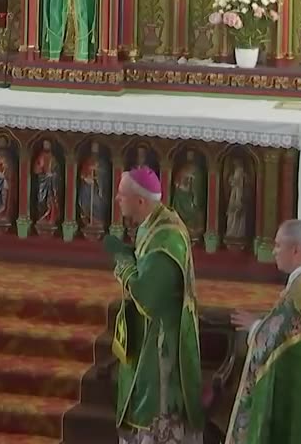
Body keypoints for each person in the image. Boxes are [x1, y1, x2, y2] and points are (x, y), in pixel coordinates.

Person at [225, 220, 301, 443]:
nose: (274, 251)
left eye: (277, 245)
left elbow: (274, 335)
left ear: (296, 250)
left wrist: (254, 326)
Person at [107, 166, 203, 444]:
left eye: (121, 195)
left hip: (162, 342)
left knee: (156, 415)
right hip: (151, 333)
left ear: (140, 201)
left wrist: (123, 264)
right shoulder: (153, 222)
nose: (116, 199)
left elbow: (146, 296)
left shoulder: (166, 238)